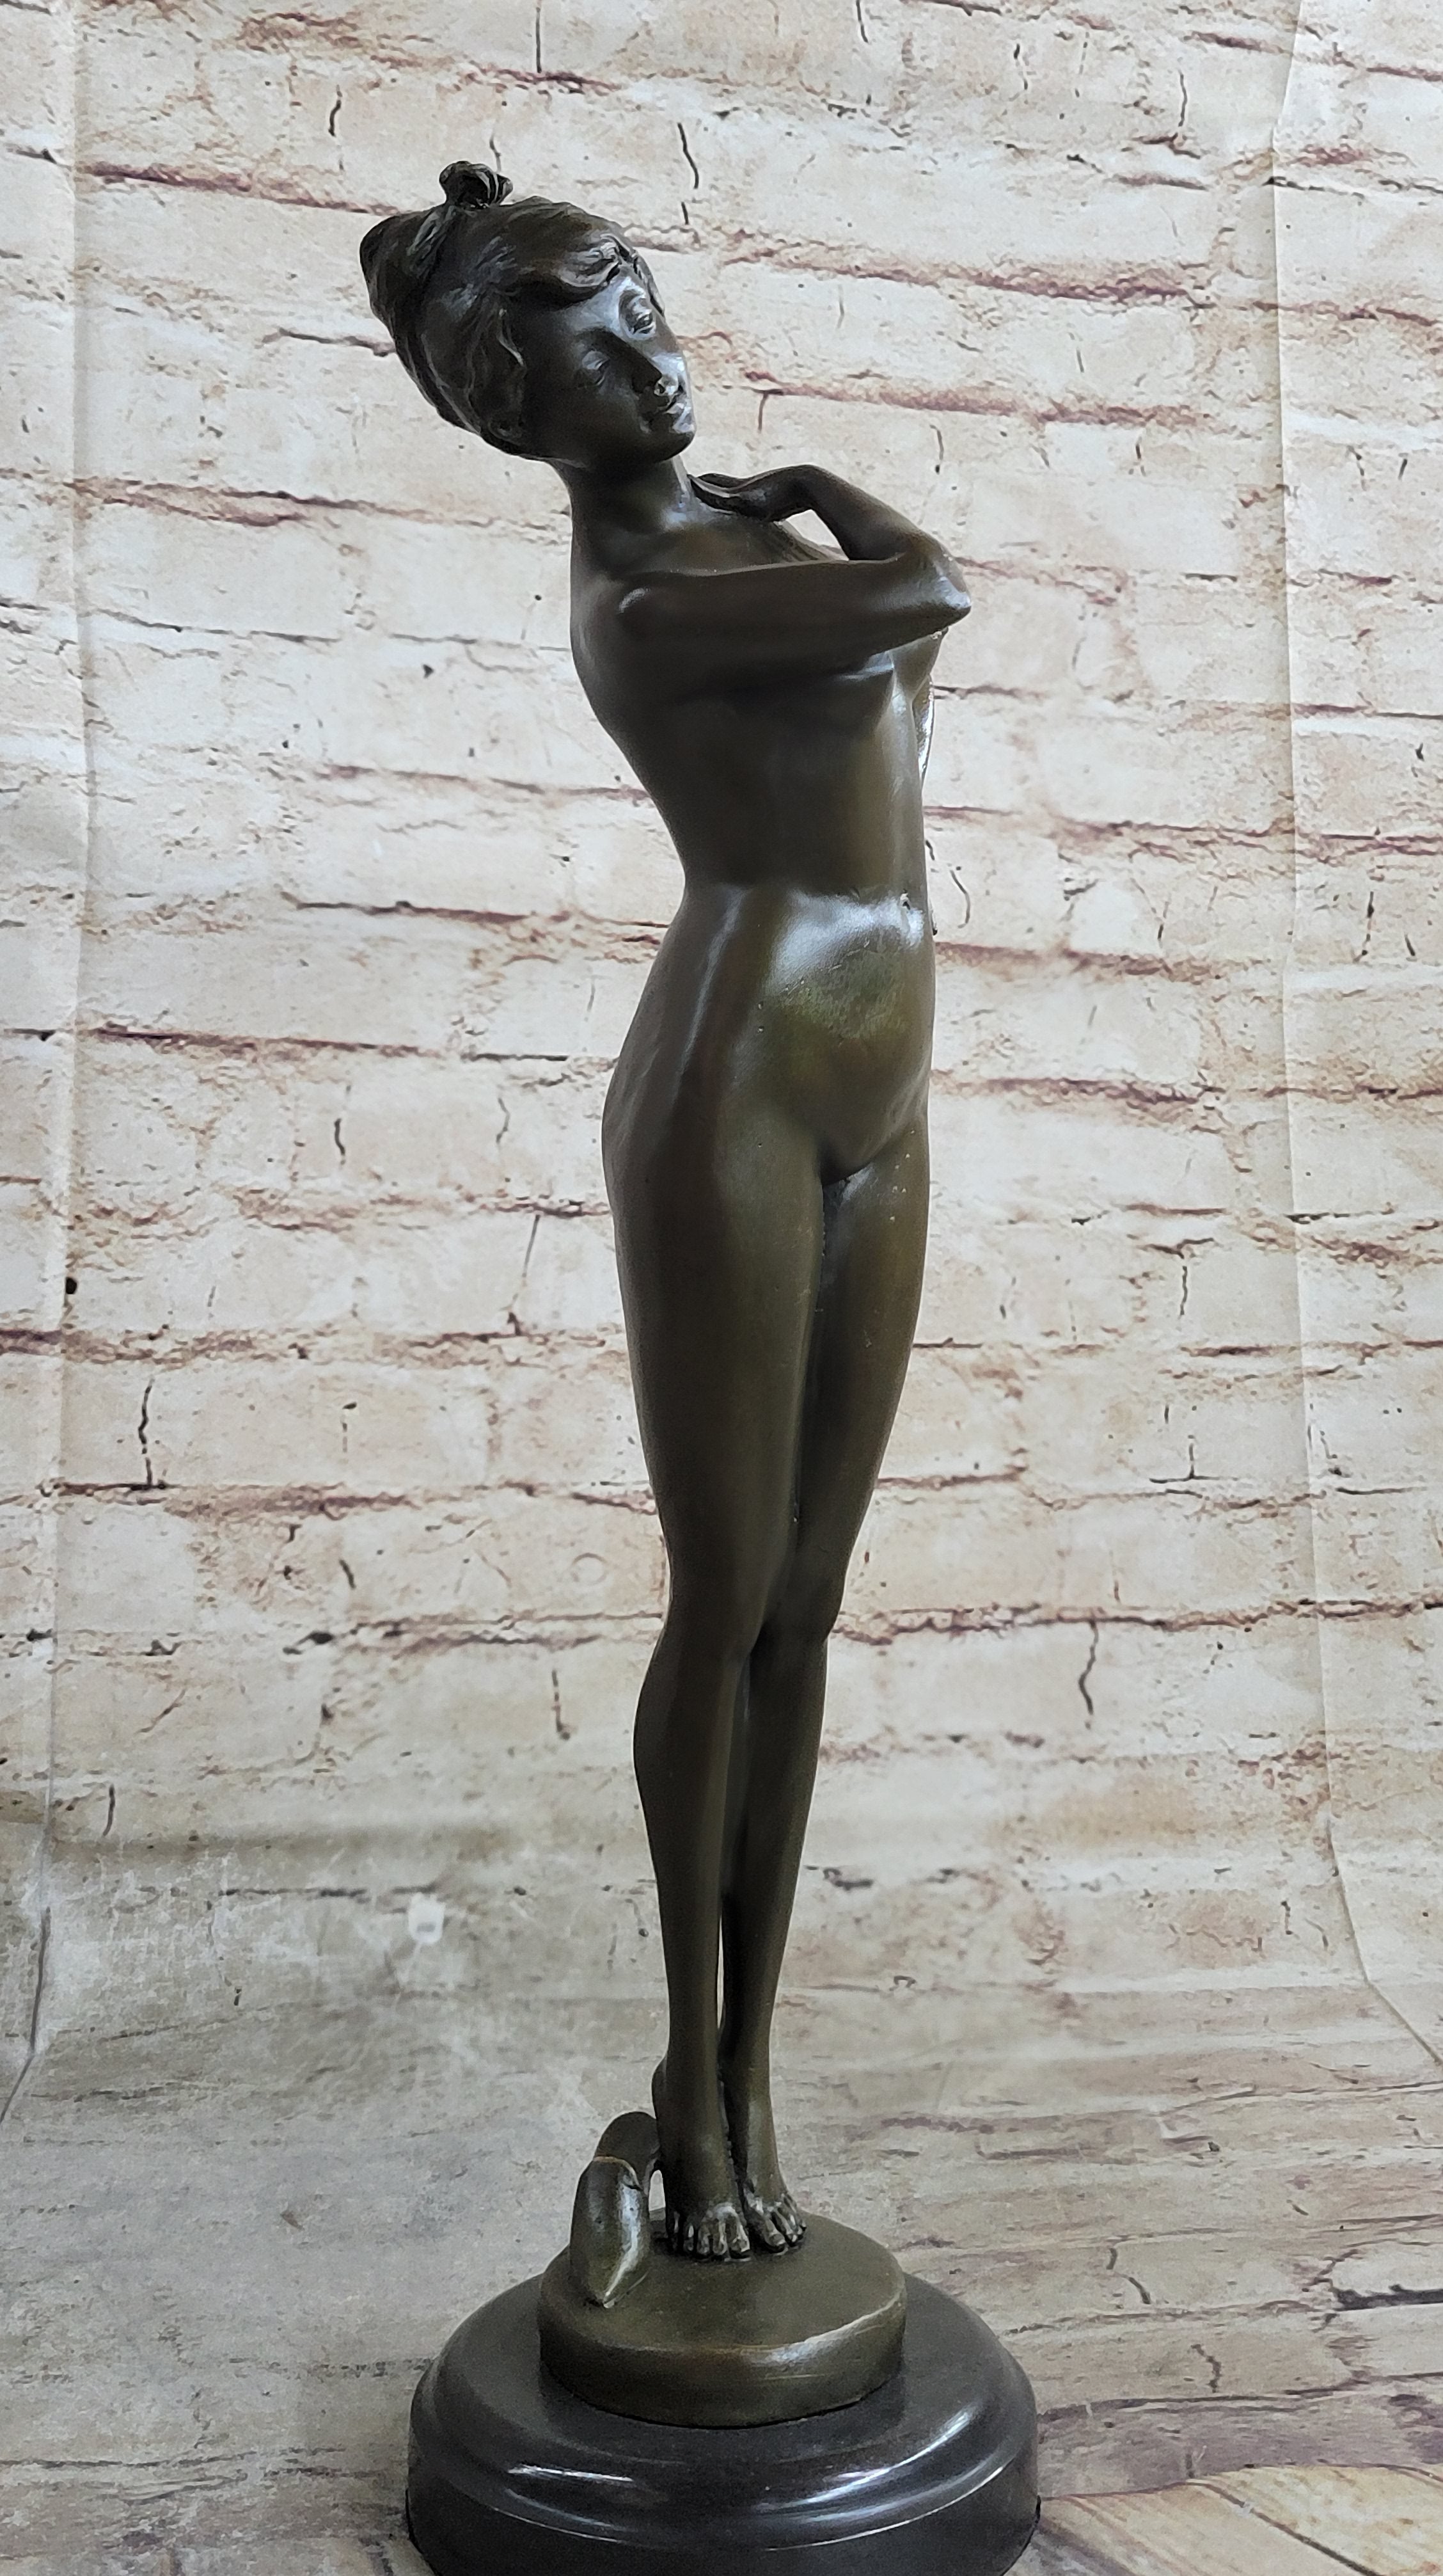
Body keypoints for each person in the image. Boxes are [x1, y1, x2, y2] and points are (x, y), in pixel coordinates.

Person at [361, 166, 970, 2263]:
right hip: (738, 1077)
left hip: (884, 1078)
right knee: (721, 1599)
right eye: (590, 345)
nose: (650, 353)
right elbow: (928, 593)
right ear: (511, 412)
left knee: (809, 1602)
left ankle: (758, 2072)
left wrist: (791, 490)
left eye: (638, 300)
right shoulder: (643, 599)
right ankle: (692, 2090)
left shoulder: (733, 533)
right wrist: (834, 495)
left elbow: (896, 611)